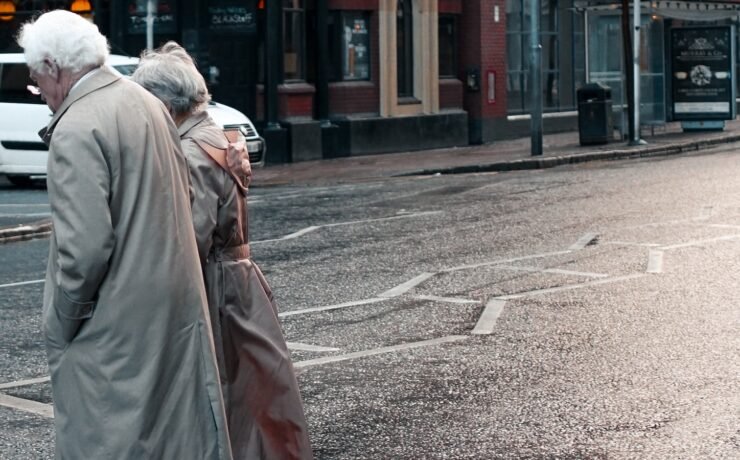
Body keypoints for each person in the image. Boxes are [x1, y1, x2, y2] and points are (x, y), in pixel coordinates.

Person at [18, 11, 233, 460]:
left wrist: (62, 323)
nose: (40, 93)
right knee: (172, 438)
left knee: (109, 439)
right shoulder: (146, 102)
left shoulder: (77, 126)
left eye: (36, 79)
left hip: (112, 327)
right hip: (171, 310)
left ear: (54, 66)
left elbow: (84, 251)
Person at [132, 42, 313, 460]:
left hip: (215, 286)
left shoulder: (192, 150)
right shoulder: (213, 133)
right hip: (236, 282)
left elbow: (189, 237)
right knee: (251, 395)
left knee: (225, 393)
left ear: (164, 101)